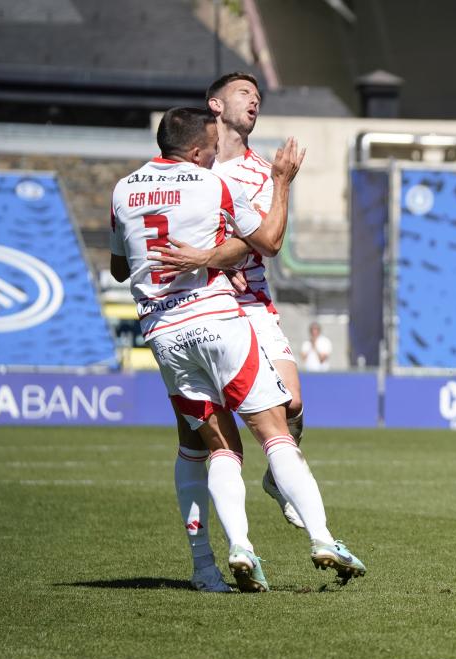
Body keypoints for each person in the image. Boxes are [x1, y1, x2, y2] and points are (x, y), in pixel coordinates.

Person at [118, 107, 366, 592]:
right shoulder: (216, 185)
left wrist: (194, 252)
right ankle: (323, 538)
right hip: (218, 321)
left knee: (218, 446)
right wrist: (281, 181)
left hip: (163, 334)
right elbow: (269, 241)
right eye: (210, 148)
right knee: (275, 434)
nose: (216, 154)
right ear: (194, 151)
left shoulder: (123, 189)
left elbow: (117, 267)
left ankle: (233, 551)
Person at [151, 73, 305, 592]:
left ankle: (276, 478)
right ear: (215, 105)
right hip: (195, 306)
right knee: (206, 438)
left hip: (252, 303)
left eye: (259, 96)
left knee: (294, 406)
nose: (254, 100)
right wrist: (215, 262)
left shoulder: (264, 171)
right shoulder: (188, 163)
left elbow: (267, 239)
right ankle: (207, 558)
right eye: (244, 93)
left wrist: (222, 255)